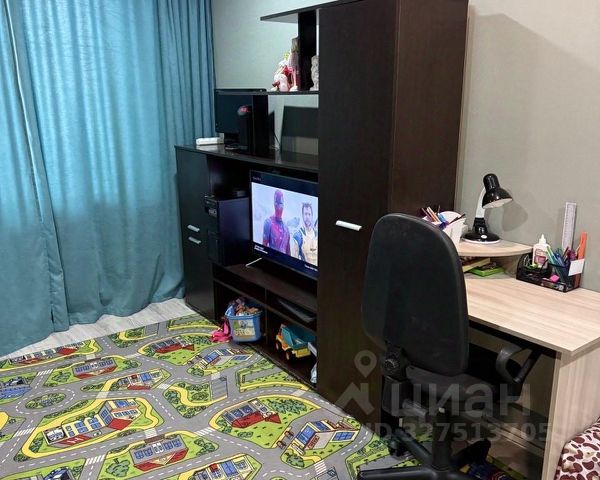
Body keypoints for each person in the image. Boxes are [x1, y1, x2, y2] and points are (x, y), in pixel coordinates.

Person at [263, 190, 290, 254]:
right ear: (273, 203)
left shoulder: (286, 228)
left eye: (280, 203)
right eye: (276, 202)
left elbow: (288, 252)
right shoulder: (268, 222)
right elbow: (263, 248)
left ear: (283, 205)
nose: (278, 206)